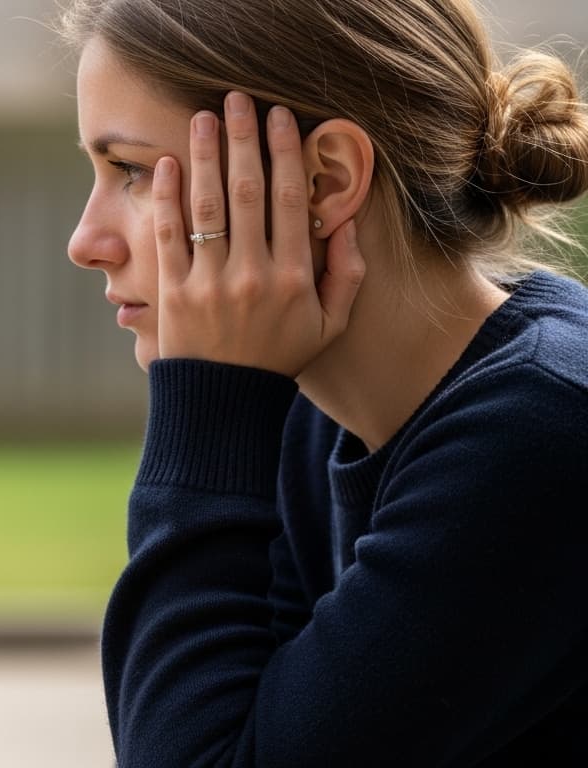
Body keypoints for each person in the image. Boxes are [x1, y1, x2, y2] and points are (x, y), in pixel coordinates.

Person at [59, 0, 588, 764]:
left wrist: (206, 404)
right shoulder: (312, 414)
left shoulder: (545, 431)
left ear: (324, 179)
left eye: (132, 171)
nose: (86, 242)